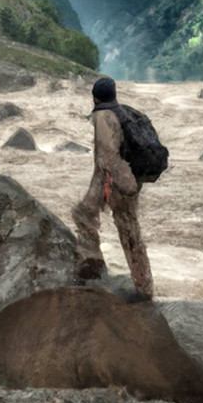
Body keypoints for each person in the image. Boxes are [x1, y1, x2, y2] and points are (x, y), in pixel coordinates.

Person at [71, 77, 154, 299]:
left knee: (128, 232)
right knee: (84, 214)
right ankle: (92, 265)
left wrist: (121, 186)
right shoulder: (124, 111)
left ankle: (143, 288)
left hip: (116, 181)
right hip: (126, 178)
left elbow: (108, 155)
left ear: (95, 97)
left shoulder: (103, 116)